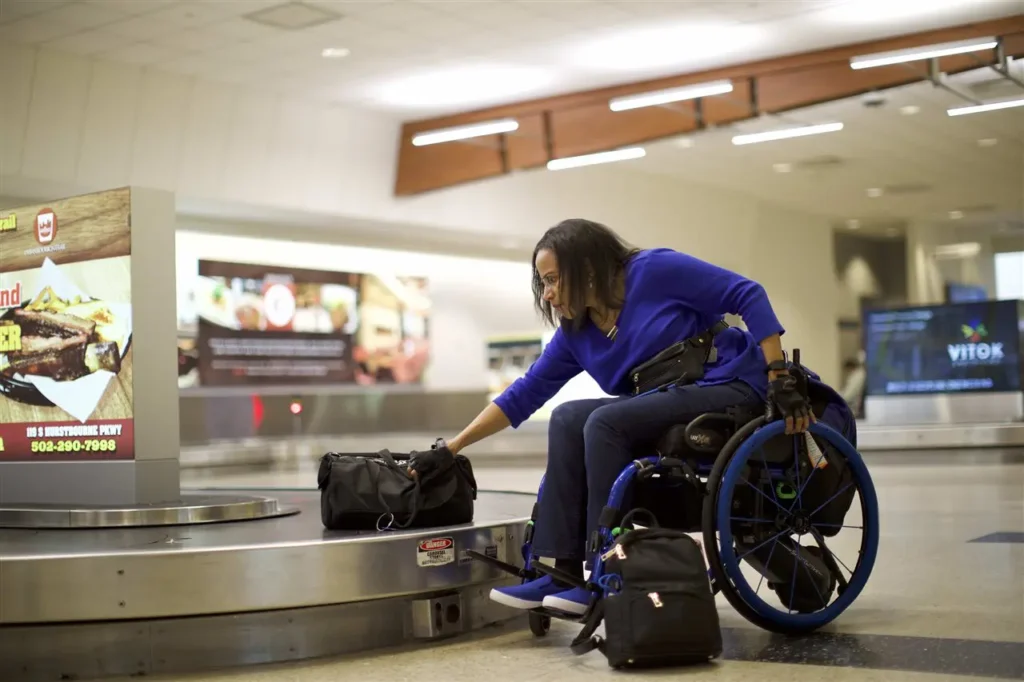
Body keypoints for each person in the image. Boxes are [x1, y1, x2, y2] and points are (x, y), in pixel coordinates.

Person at [407, 218, 814, 616]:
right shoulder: (576, 331)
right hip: (671, 401)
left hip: (731, 384)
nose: (547, 294)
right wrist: (453, 447)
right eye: (542, 282)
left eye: (552, 279)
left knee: (604, 422)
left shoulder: (652, 271)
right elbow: (524, 394)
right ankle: (561, 573)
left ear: (587, 268)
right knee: (567, 417)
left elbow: (747, 293)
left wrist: (778, 373)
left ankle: (604, 567)